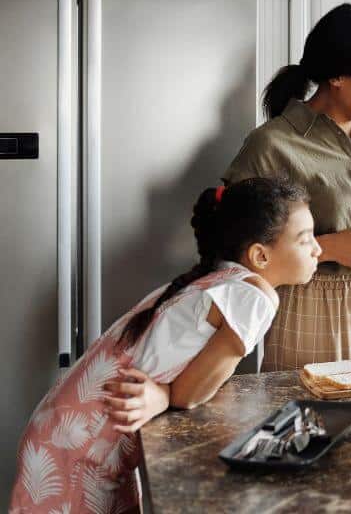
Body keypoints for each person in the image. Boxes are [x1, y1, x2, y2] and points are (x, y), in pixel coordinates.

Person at [9, 178, 320, 513]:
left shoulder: (221, 279)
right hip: (76, 450)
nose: (318, 249)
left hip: (68, 433)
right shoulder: (254, 296)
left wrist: (163, 394)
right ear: (260, 255)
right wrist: (166, 395)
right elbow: (189, 394)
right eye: (306, 240)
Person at [223, 3, 351, 370]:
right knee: (318, 422)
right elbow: (233, 251)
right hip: (312, 310)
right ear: (337, 75)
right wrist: (328, 248)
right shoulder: (272, 145)